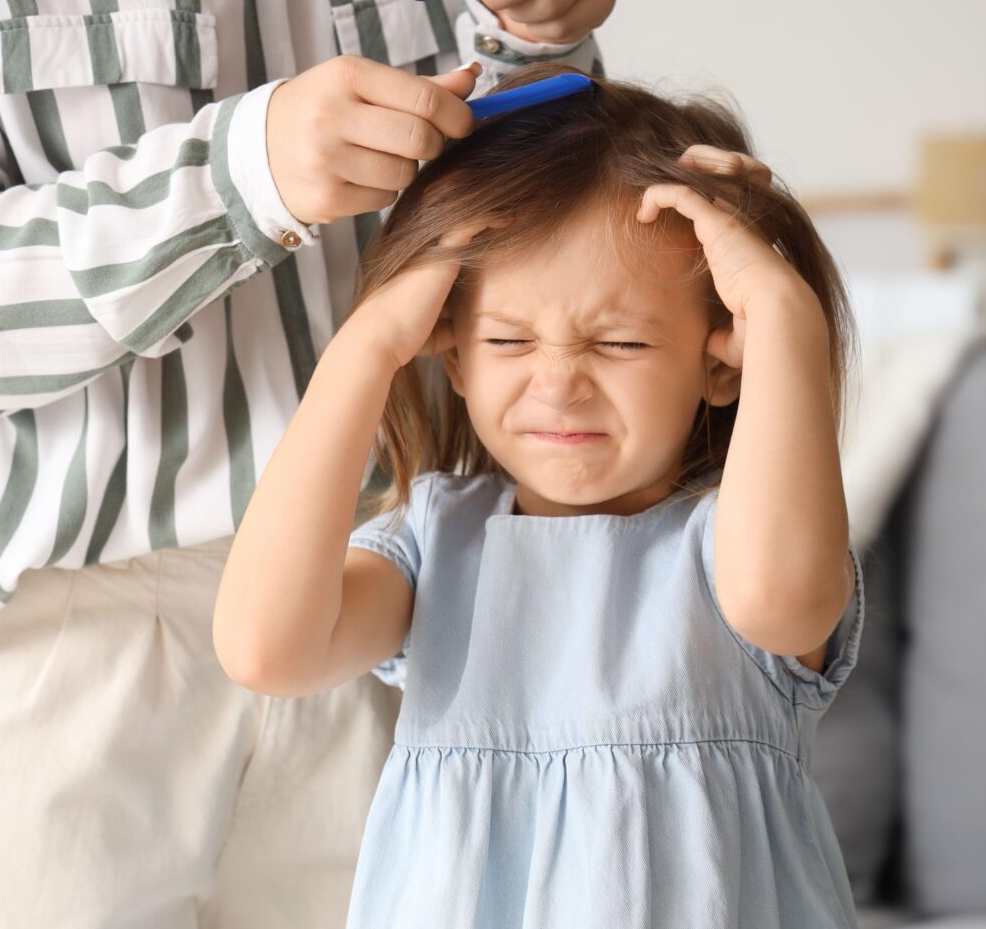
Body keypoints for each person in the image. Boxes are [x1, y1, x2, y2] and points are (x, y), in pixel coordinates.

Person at [0, 0, 617, 925]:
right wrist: (234, 179)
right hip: (31, 640)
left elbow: (532, 215)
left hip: (395, 615)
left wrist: (541, 39)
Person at [213, 63, 865, 927]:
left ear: (719, 359)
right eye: (509, 338)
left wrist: (785, 314)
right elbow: (267, 650)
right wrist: (363, 349)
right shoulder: (437, 546)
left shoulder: (733, 547)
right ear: (449, 350)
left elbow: (784, 601)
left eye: (622, 343)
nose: (559, 384)